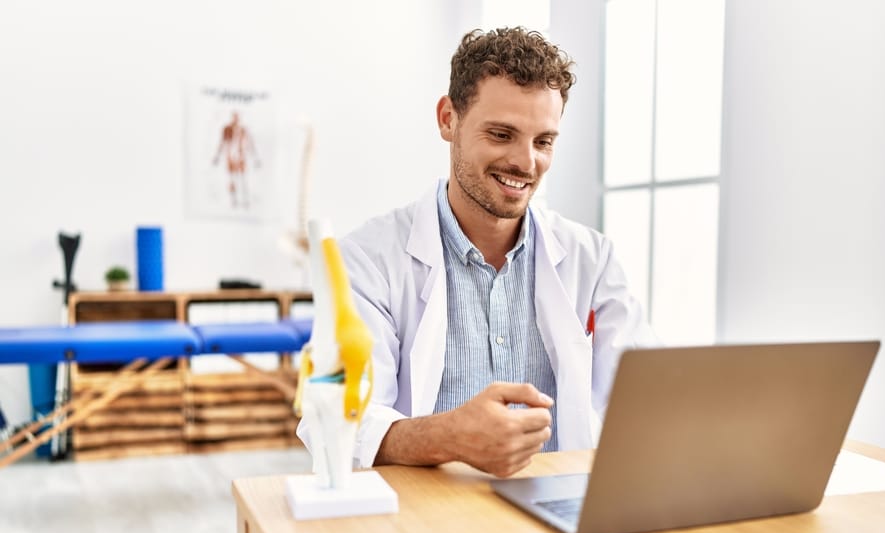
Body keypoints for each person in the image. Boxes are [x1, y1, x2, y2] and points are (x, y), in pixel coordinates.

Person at [299, 27, 656, 478]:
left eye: (543, 141)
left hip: (559, 516)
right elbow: (336, 422)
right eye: (502, 134)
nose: (526, 163)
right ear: (448, 118)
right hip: (426, 517)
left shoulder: (593, 259)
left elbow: (648, 402)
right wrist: (450, 436)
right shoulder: (369, 259)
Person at [212, 111, 261, 208]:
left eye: (237, 117)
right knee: (232, 179)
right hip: (230, 156)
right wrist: (217, 156)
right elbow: (222, 143)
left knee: (243, 179)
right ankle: (233, 201)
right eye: (234, 117)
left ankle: (245, 200)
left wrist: (255, 157)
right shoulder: (227, 129)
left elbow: (250, 143)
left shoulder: (243, 130)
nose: (236, 119)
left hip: (241, 156)